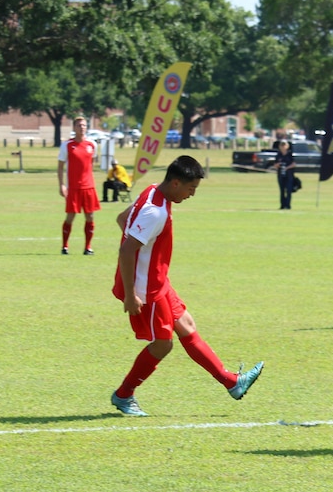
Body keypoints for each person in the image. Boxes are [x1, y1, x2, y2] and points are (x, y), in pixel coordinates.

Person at [110, 155, 264, 417]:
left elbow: (122, 219)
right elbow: (127, 250)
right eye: (191, 189)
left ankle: (232, 383)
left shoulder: (152, 191)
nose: (192, 194)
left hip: (157, 280)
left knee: (187, 325)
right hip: (146, 289)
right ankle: (124, 395)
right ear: (176, 183)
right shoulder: (155, 211)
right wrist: (132, 293)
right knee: (162, 345)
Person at [57, 116, 100, 255]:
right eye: (79, 125)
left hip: (88, 187)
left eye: (84, 125)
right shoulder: (67, 145)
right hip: (73, 188)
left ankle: (88, 247)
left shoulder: (92, 145)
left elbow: (91, 165)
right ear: (74, 128)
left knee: (90, 217)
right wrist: (62, 185)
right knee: (70, 217)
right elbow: (60, 166)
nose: (82, 127)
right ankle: (65, 246)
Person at [272, 140, 296, 209]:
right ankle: (282, 205)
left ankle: (288, 205)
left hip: (289, 175)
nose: (283, 147)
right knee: (282, 191)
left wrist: (287, 167)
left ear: (287, 146)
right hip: (281, 175)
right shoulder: (278, 155)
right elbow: (275, 165)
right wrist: (277, 165)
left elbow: (294, 164)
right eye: (281, 145)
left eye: (284, 145)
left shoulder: (290, 154)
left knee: (288, 190)